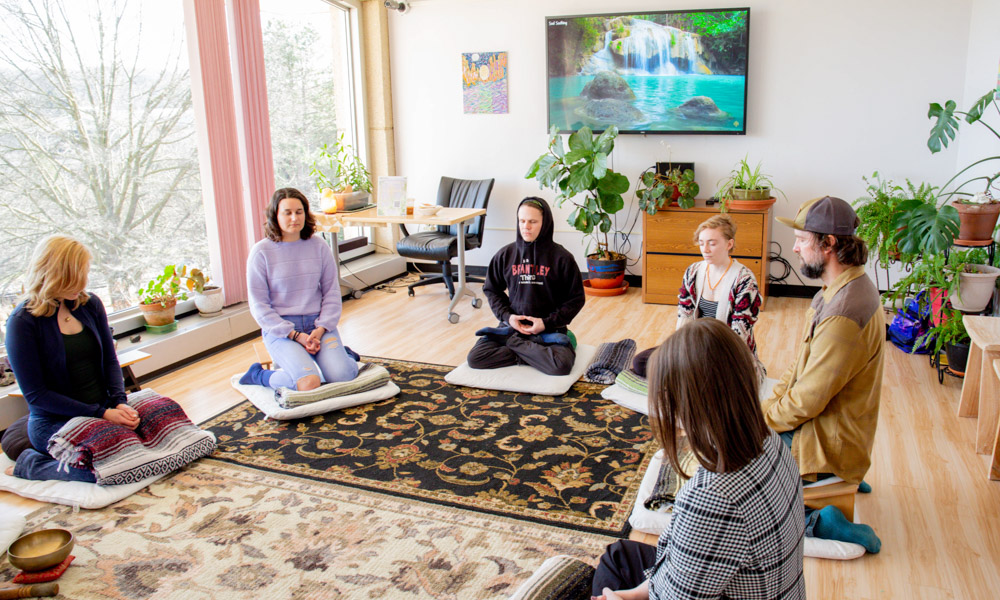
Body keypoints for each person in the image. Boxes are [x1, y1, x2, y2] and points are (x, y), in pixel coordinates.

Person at [591, 319, 804, 600]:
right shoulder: (767, 439)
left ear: (683, 402)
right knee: (620, 555)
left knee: (606, 579)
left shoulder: (712, 497)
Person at [763, 195, 884, 554]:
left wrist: (759, 424)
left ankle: (819, 518)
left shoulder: (844, 312)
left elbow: (807, 401)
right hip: (839, 424)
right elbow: (798, 369)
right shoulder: (840, 290)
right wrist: (768, 407)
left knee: (731, 456)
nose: (795, 248)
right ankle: (837, 476)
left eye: (802, 239)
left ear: (829, 244)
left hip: (828, 439)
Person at [4, 235, 139, 482]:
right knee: (116, 461)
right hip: (54, 422)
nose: (82, 282)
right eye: (73, 277)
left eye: (84, 273)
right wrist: (101, 413)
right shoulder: (22, 322)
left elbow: (110, 360)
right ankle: (31, 466)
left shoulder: (90, 304)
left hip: (104, 409)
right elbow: (37, 395)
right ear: (50, 275)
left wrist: (120, 403)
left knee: (167, 417)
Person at [240, 188, 358, 391]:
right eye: (287, 212)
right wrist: (295, 335)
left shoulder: (319, 246)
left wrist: (321, 328)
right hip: (282, 329)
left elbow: (331, 292)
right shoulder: (261, 253)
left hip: (317, 324)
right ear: (275, 216)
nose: (294, 218)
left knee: (343, 376)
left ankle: (343, 356)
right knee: (307, 382)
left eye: (299, 211)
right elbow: (259, 307)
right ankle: (260, 375)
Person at [632, 213, 763, 379]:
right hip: (695, 346)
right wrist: (678, 351)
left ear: (729, 244)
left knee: (709, 377)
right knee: (642, 362)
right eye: (701, 243)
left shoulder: (745, 280)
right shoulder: (693, 272)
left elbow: (739, 334)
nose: (705, 250)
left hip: (728, 353)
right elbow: (685, 315)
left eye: (712, 243)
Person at [466, 197, 585, 375]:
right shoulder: (506, 254)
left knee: (561, 365)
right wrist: (508, 317)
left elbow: (576, 299)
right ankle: (532, 354)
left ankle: (519, 349)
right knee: (475, 358)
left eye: (532, 221)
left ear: (545, 224)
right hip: (512, 327)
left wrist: (545, 323)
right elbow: (492, 290)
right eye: (522, 221)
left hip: (549, 329)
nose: (526, 226)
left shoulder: (562, 258)